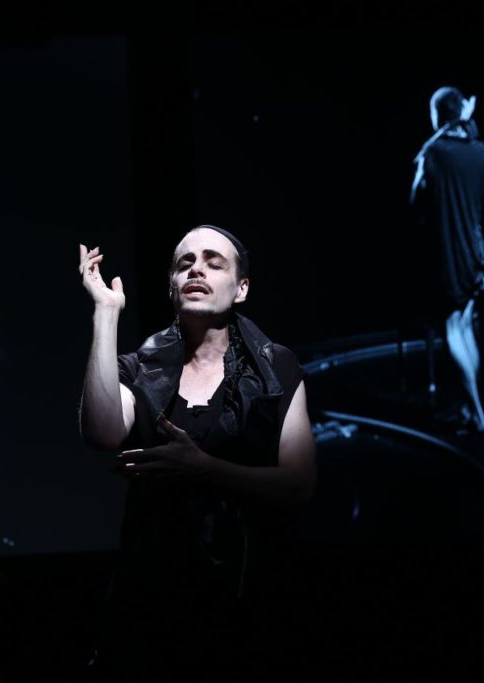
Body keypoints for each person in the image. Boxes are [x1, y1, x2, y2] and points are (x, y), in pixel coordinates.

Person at [77, 226, 316, 679]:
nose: (197, 269)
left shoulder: (277, 366)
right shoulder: (138, 368)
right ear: (171, 284)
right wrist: (105, 314)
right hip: (154, 603)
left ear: (241, 288)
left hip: (251, 597)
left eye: (213, 261)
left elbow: (299, 483)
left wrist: (204, 469)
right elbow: (103, 433)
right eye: (185, 263)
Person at [410, 86, 484, 432]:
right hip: (475, 251)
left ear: (438, 115)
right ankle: (471, 406)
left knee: (453, 332)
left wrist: (423, 158)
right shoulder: (481, 151)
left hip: (450, 254)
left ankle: (477, 414)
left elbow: (415, 200)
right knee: (466, 328)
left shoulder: (435, 153)